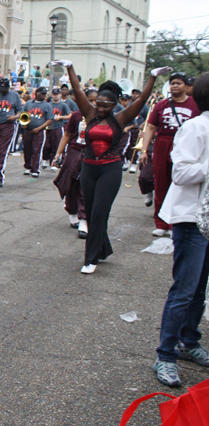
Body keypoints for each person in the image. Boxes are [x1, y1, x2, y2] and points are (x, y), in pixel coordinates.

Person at [55, 59, 171, 274]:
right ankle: (103, 248)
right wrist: (70, 67)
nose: (100, 108)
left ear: (115, 104)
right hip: (88, 169)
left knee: (99, 213)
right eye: (98, 103)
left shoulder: (121, 118)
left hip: (110, 170)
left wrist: (153, 76)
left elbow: (143, 98)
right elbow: (78, 90)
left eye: (105, 105)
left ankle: (90, 259)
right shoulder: (89, 114)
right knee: (91, 213)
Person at [152, 72, 209, 387]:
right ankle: (165, 356)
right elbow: (182, 172)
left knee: (200, 290)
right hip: (191, 218)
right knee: (185, 290)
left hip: (208, 218)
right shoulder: (196, 127)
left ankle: (189, 341)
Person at [138, 72, 200, 237]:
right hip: (162, 144)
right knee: (161, 182)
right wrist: (144, 150)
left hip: (185, 144)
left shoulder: (195, 105)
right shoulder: (161, 105)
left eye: (178, 83)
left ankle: (176, 224)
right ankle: (161, 223)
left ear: (186, 87)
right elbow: (151, 127)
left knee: (180, 184)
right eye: (172, 83)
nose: (174, 86)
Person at [52, 110, 87, 238]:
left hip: (91, 154)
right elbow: (67, 135)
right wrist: (58, 154)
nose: (93, 104)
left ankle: (84, 218)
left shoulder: (100, 116)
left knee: (86, 186)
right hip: (74, 152)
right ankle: (72, 210)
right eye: (90, 100)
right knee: (71, 184)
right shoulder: (76, 116)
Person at [0, 77, 22, 186]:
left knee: (0, 152)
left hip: (8, 125)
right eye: (1, 88)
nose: (3, 90)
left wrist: (15, 117)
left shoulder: (14, 95)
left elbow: (20, 111)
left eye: (5, 88)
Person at [20, 87, 53, 177]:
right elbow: (23, 115)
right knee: (27, 149)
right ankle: (28, 166)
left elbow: (49, 119)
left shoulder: (47, 105)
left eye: (44, 94)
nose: (43, 95)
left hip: (39, 131)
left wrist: (39, 128)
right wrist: (23, 124)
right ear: (37, 93)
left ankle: (35, 169)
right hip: (28, 129)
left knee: (37, 149)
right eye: (42, 93)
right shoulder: (28, 103)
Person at [42, 87, 71, 172]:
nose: (56, 96)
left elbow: (69, 115)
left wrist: (61, 117)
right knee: (46, 145)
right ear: (52, 95)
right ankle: (46, 159)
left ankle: (54, 163)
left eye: (57, 94)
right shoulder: (48, 104)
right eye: (54, 94)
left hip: (58, 127)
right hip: (48, 127)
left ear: (60, 95)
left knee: (57, 145)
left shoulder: (63, 105)